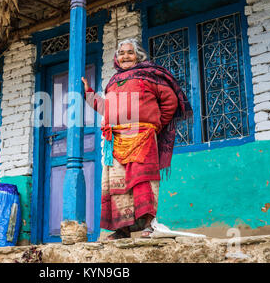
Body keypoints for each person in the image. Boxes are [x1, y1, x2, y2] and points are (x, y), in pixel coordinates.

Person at [82, 38, 192, 239]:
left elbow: (171, 101)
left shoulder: (150, 76)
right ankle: (122, 230)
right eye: (121, 53)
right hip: (115, 140)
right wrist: (88, 94)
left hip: (142, 137)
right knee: (118, 185)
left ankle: (149, 226)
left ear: (138, 56)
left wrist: (155, 123)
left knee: (144, 181)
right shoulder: (113, 83)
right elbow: (107, 109)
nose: (125, 56)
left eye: (129, 52)